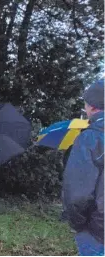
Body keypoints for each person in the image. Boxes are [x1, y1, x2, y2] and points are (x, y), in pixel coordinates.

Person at [63, 79, 104, 256]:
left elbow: (78, 195)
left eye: (85, 105)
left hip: (97, 230)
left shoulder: (89, 138)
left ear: (93, 107)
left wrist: (78, 223)